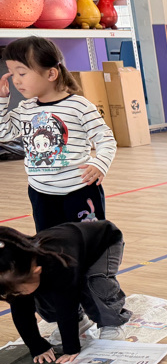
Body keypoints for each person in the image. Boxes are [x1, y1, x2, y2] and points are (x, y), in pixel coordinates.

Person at [0, 37, 117, 232]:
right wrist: (2, 100)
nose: (16, 80)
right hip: (40, 192)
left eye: (22, 73)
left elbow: (105, 138)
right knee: (49, 243)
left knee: (88, 240)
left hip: (79, 189)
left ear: (51, 73)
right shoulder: (25, 108)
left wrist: (100, 163)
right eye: (12, 74)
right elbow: (4, 133)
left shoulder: (79, 106)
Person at [0, 221, 131, 364]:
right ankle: (80, 321)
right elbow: (21, 312)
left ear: (36, 271)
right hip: (73, 254)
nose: (17, 295)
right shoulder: (15, 275)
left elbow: (67, 305)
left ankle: (112, 323)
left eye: (19, 291)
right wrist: (37, 346)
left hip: (103, 243)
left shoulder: (57, 263)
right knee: (43, 295)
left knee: (95, 282)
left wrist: (71, 348)